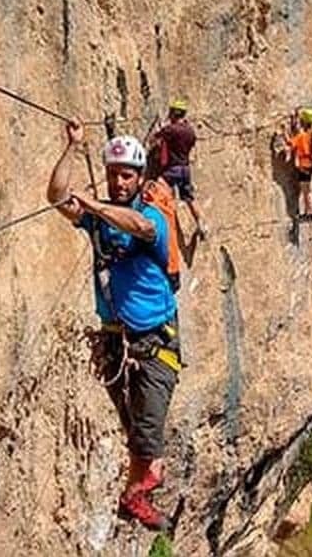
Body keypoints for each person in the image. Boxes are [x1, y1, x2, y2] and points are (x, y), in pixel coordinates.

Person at [47, 120, 181, 532]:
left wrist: (95, 206)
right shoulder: (100, 220)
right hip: (115, 346)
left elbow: (139, 228)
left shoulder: (152, 216)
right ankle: (134, 495)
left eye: (126, 175)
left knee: (148, 439)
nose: (118, 181)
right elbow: (55, 197)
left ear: (139, 178)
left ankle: (136, 495)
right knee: (136, 434)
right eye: (113, 174)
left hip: (155, 343)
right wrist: (72, 148)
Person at [150, 99, 208, 239]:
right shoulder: (190, 131)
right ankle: (201, 223)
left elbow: (154, 138)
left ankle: (161, 219)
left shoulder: (172, 129)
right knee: (189, 198)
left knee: (159, 185)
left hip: (173, 169)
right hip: (185, 168)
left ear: (174, 113)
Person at [284, 108, 312, 222]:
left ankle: (310, 213)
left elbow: (290, 143)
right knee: (308, 189)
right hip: (311, 164)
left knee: (306, 190)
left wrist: (284, 132)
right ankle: (309, 212)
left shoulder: (302, 136)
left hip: (304, 165)